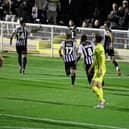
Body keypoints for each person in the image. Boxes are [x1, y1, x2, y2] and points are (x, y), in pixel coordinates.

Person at [88, 34, 106, 109]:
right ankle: (101, 103)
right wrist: (91, 67)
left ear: (96, 39)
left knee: (92, 85)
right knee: (99, 85)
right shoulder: (98, 47)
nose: (93, 39)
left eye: (94, 38)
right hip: (98, 69)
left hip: (99, 69)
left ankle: (102, 100)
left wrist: (100, 69)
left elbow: (102, 59)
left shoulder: (99, 48)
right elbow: (95, 60)